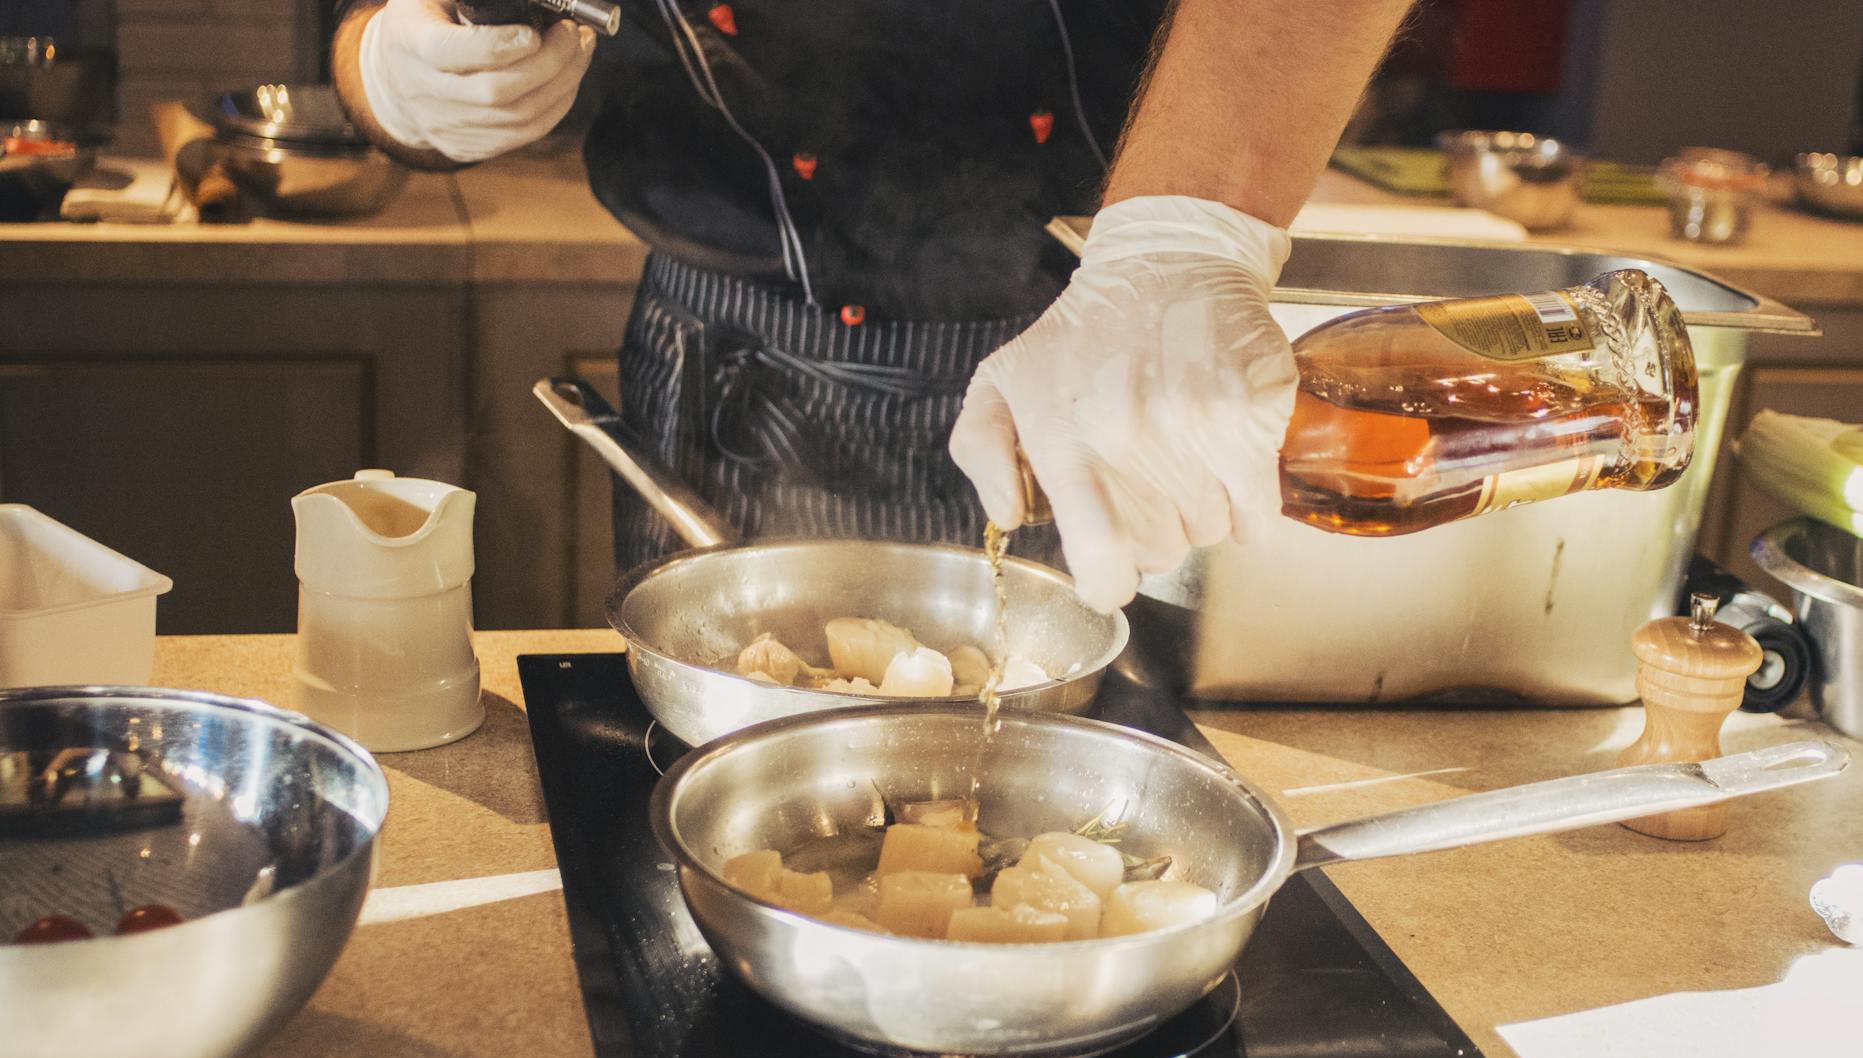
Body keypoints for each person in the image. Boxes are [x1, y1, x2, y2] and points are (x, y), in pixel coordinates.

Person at [333, 0, 1415, 612]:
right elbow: (383, 23)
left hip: (1098, 347)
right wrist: (393, 71)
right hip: (722, 350)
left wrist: (1186, 225)